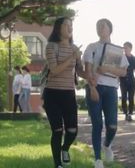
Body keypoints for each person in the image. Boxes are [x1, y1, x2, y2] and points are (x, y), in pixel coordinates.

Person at [83, 18, 129, 168]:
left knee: (112, 126)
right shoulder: (92, 47)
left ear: (110, 29)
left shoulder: (117, 50)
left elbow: (123, 72)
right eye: (98, 26)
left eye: (104, 26)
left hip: (111, 89)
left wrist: (107, 69)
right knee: (97, 124)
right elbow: (88, 70)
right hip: (95, 87)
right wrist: (92, 88)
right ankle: (97, 159)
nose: (101, 28)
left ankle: (107, 145)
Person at [43, 17, 83, 168]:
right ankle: (57, 164)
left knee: (72, 131)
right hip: (52, 93)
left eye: (71, 25)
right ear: (58, 28)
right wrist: (72, 57)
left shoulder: (74, 48)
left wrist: (91, 75)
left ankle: (65, 148)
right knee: (57, 130)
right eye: (67, 25)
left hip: (68, 94)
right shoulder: (51, 47)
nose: (70, 27)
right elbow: (54, 70)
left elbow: (79, 70)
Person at [120, 41, 135, 121]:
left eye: (126, 48)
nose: (124, 49)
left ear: (130, 49)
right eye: (124, 48)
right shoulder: (121, 58)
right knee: (124, 97)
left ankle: (130, 113)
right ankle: (125, 112)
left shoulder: (134, 59)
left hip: (131, 80)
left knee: (131, 97)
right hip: (123, 80)